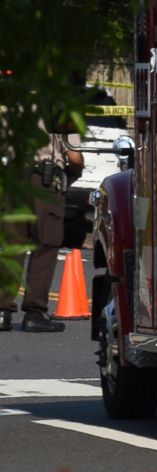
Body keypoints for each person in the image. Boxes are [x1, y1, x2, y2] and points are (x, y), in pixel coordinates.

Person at [0, 122, 83, 333]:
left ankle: (2, 313)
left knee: (13, 244)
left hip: (13, 177)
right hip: (43, 180)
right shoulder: (58, 104)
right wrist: (74, 172)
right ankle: (34, 313)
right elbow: (73, 156)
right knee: (45, 245)